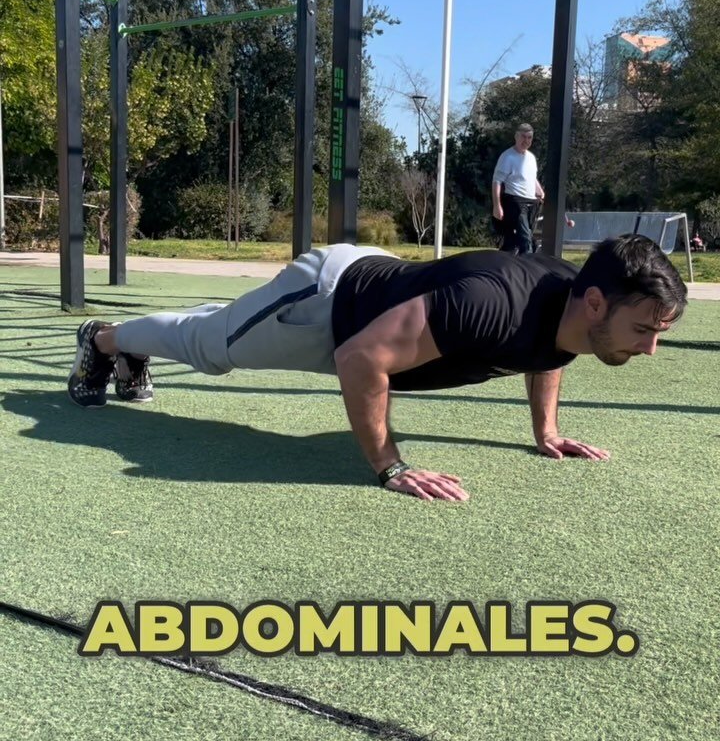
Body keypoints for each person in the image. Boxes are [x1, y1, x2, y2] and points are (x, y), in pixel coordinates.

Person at [68, 235, 687, 503]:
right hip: (327, 305)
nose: (650, 350)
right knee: (211, 348)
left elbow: (551, 351)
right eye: (643, 331)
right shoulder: (492, 304)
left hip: (380, 301)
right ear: (596, 302)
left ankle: (214, 321)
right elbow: (359, 358)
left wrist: (546, 431)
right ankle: (105, 339)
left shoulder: (573, 304)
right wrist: (391, 466)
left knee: (224, 327)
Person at [492, 123, 545, 254]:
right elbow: (497, 181)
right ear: (516, 136)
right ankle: (527, 264)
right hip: (516, 202)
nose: (526, 140)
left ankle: (504, 259)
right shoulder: (507, 157)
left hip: (532, 202)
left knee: (516, 241)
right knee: (526, 240)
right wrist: (497, 205)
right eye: (523, 137)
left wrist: (540, 190)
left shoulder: (531, 158)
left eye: (529, 137)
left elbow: (531, 178)